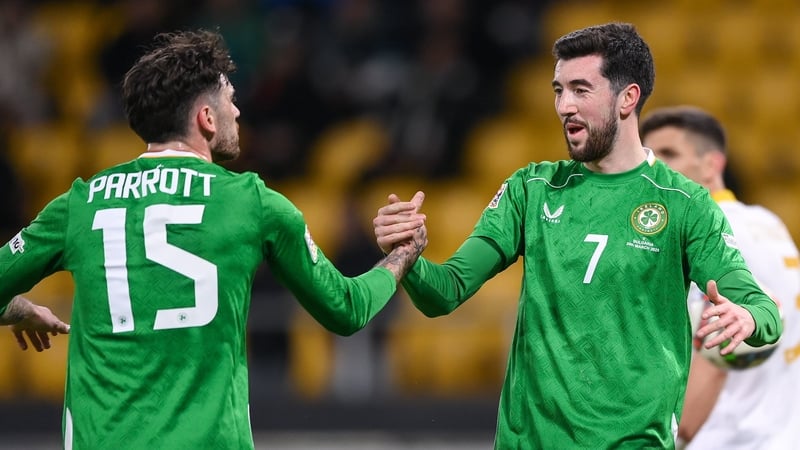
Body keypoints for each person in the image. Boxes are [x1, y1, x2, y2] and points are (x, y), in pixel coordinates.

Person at [0, 29, 425, 449]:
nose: (238, 113)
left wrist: (16, 307)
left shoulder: (80, 203)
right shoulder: (253, 202)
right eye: (231, 101)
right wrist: (400, 258)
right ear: (206, 118)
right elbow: (346, 310)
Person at [372, 22, 782, 449]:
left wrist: (748, 317)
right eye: (557, 90)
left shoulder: (685, 204)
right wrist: (408, 258)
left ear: (628, 98)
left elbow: (764, 312)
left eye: (581, 90)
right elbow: (446, 292)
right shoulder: (531, 190)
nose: (564, 105)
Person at [640, 105, 800, 450]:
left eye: (669, 153)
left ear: (712, 164)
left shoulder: (707, 234)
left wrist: (676, 437)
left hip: (727, 437)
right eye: (649, 155)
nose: (654, 167)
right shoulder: (768, 222)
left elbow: (716, 352)